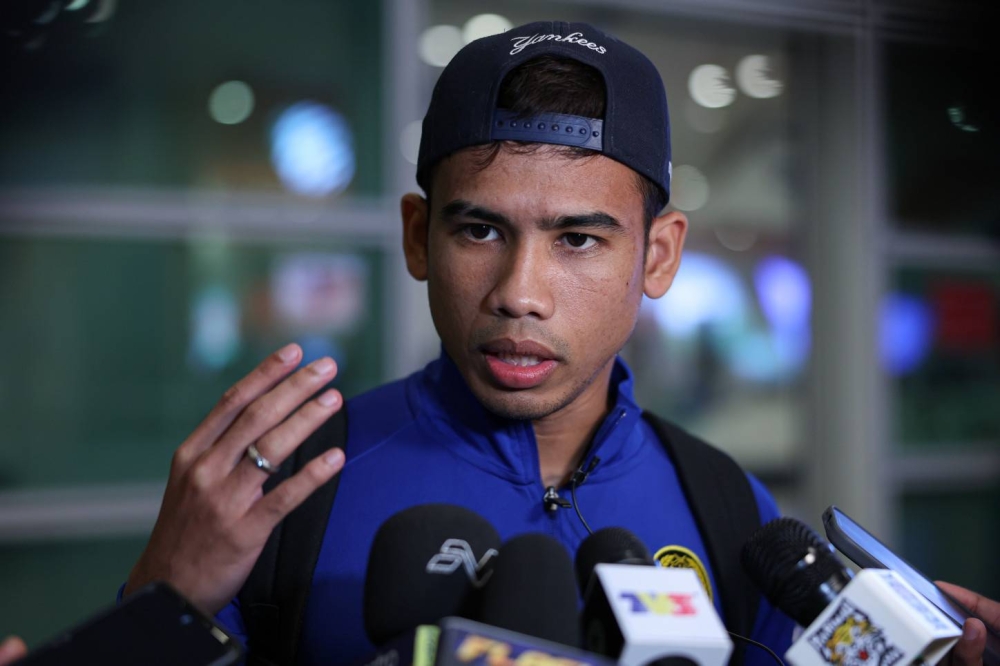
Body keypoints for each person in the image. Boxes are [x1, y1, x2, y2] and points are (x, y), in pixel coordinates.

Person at [112, 19, 987, 666]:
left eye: (578, 239)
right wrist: (162, 597)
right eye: (480, 230)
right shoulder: (294, 489)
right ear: (418, 237)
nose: (519, 294)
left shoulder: (730, 508)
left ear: (659, 253)